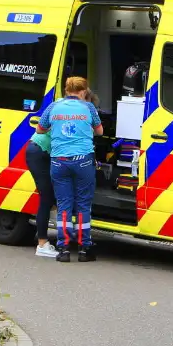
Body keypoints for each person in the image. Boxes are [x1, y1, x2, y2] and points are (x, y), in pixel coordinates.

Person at [37, 76, 102, 263]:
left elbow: (40, 129)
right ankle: (84, 249)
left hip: (59, 161)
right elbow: (100, 131)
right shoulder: (88, 107)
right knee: (83, 204)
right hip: (83, 161)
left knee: (63, 204)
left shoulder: (54, 107)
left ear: (66, 90)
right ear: (83, 91)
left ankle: (63, 249)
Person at [24, 121, 58, 258]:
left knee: (50, 197)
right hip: (39, 152)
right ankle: (42, 244)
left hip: (40, 150)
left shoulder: (63, 108)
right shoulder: (74, 113)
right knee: (47, 198)